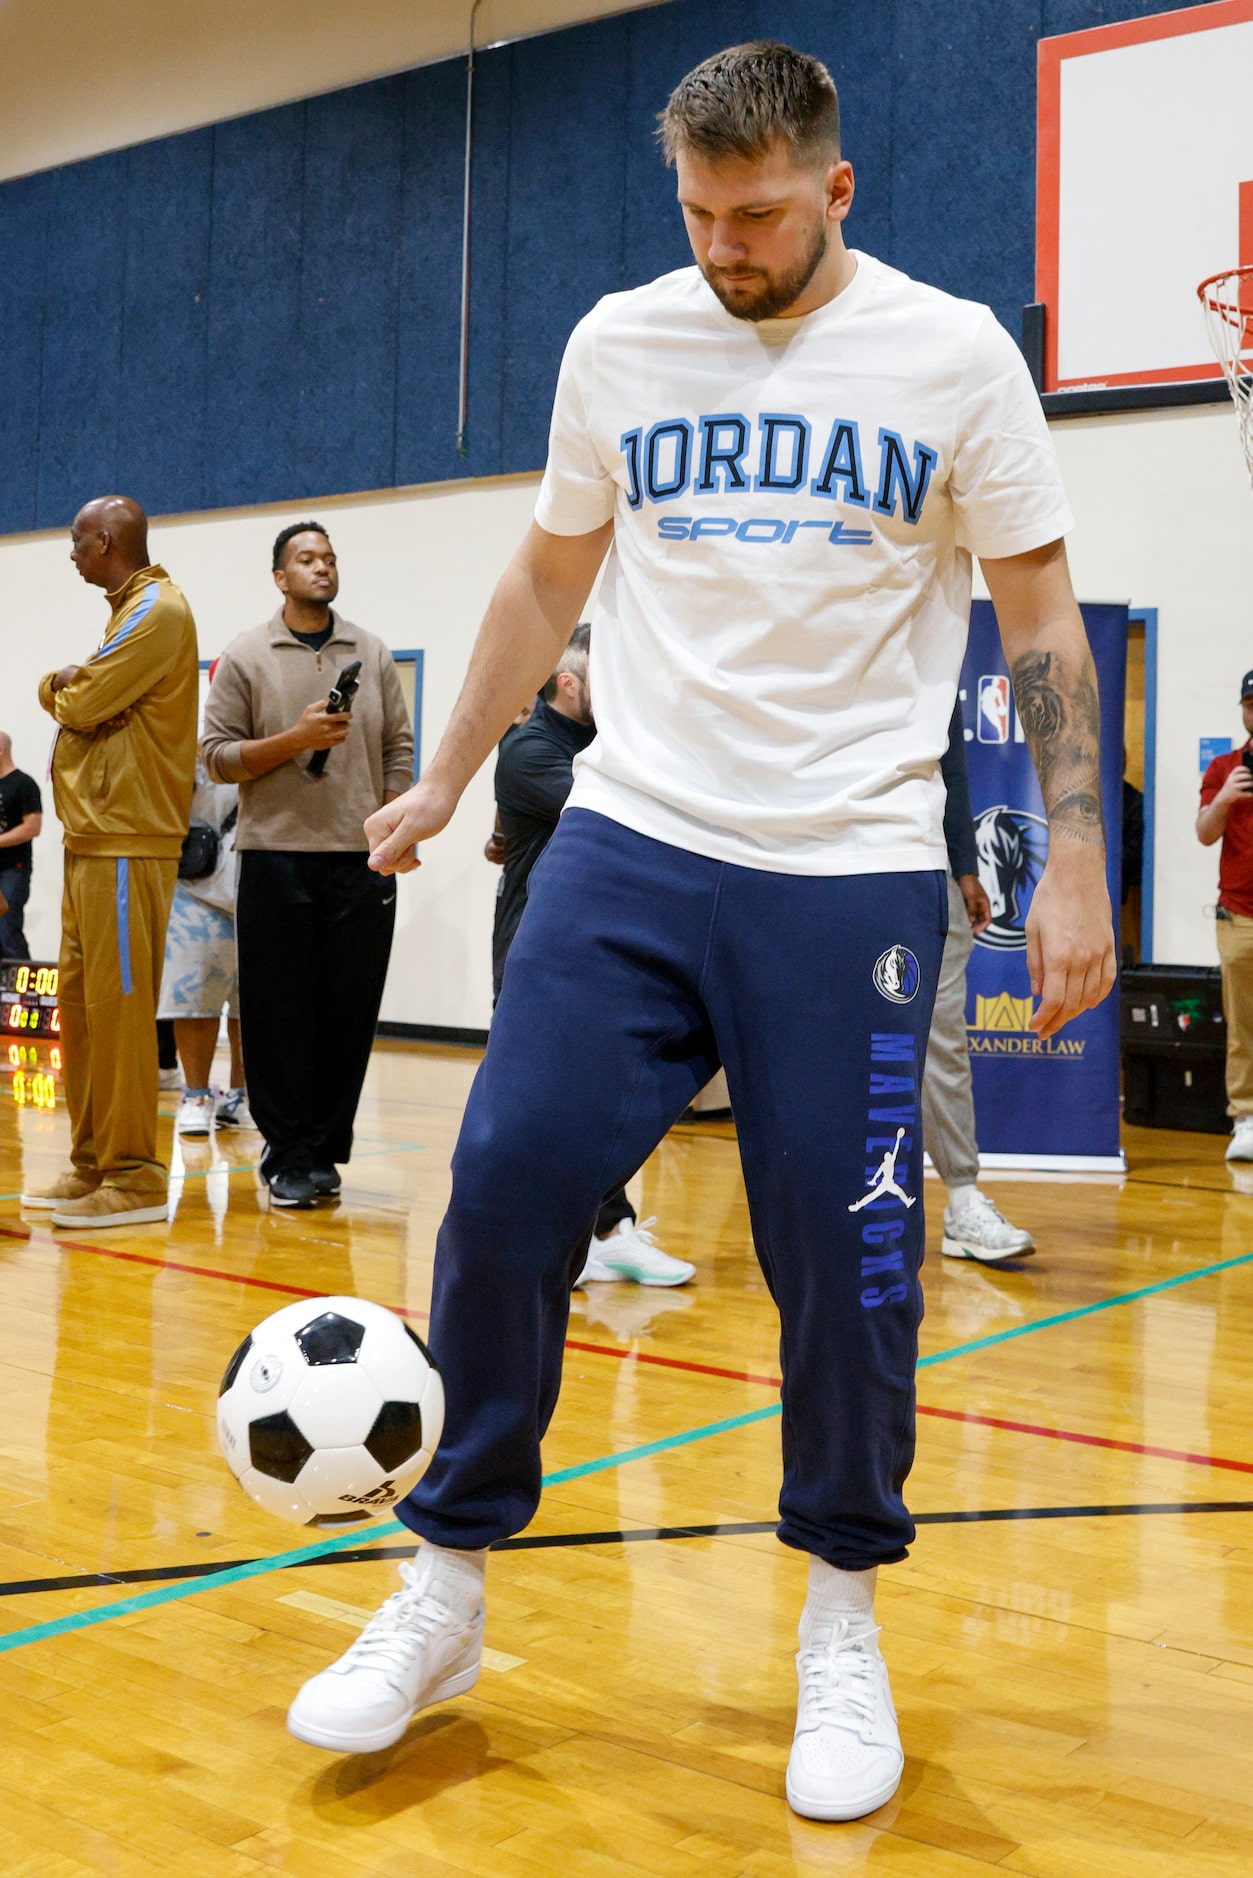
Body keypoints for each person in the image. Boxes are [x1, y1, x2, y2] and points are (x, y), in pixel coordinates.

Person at [286, 42, 1115, 1824]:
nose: (725, 246)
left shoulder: (953, 354)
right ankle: (443, 1585)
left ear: (834, 187)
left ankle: (836, 1612)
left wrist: (1072, 859)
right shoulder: (619, 339)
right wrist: (437, 780)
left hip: (850, 867)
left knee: (850, 1263)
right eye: (697, 214)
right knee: (506, 1179)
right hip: (636, 837)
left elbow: (1035, 614)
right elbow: (543, 577)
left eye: (755, 214)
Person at [201, 522, 413, 1208]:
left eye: (328, 557)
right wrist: (294, 739)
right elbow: (215, 756)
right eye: (305, 558)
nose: (321, 567)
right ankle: (285, 1152)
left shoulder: (372, 652)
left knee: (347, 1015)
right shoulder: (244, 654)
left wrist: (392, 827)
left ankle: (324, 1152)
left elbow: (399, 750)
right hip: (274, 857)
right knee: (278, 1015)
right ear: (279, 577)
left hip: (360, 864)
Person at [493, 624, 695, 1287]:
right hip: (536, 945)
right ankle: (565, 1236)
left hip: (600, 943)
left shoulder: (597, 743)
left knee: (607, 1098)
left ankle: (607, 1230)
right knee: (541, 1103)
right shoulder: (530, 750)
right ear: (569, 683)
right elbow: (613, 813)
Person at [22, 496, 198, 1228]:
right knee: (83, 1010)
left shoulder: (157, 612)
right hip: (92, 841)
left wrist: (60, 687)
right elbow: (91, 702)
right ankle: (94, 1162)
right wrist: (73, 691)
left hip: (129, 841)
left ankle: (138, 1174)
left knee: (121, 1015)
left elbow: (84, 701)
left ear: (103, 539)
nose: (69, 553)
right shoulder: (128, 610)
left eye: (74, 540)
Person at [923, 700, 1036, 1262]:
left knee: (942, 1036)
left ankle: (963, 1203)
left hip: (923, 865)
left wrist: (965, 868)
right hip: (823, 863)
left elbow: (953, 771)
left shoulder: (938, 647)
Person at [158, 754, 253, 1137]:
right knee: (193, 996)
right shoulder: (189, 735)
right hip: (196, 881)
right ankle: (195, 1095)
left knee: (255, 1001)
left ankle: (242, 1096)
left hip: (262, 877)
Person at [1197, 669, 1253, 1161]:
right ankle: (1246, 1118)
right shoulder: (1223, 768)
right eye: (1251, 704)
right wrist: (1224, 798)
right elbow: (1204, 832)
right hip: (1238, 915)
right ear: (1242, 708)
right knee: (1243, 1022)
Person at [0, 732, 43, 960]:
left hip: (12, 869)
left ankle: (23, 992)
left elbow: (32, 827)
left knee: (6, 929)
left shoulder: (23, 784)